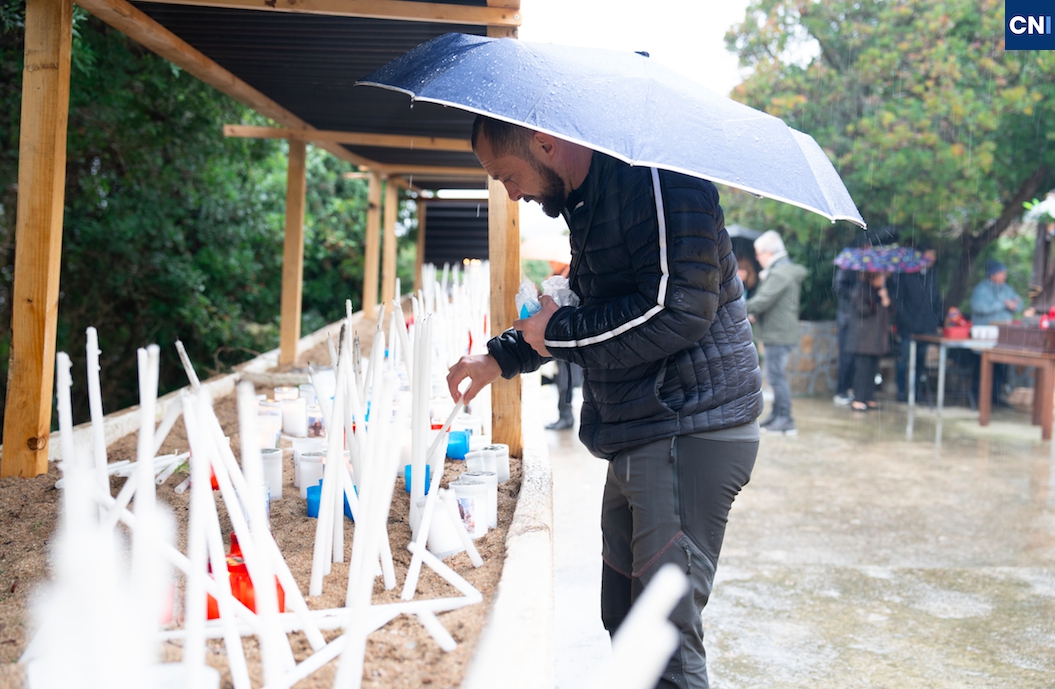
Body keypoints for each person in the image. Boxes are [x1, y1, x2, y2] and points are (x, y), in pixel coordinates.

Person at [447, 116, 763, 689]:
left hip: (688, 428)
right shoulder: (590, 198)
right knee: (623, 617)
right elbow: (586, 309)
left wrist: (557, 332)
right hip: (642, 428)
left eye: (506, 175)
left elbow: (677, 311)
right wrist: (500, 357)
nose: (510, 192)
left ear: (545, 144)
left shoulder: (659, 181)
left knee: (661, 639)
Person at [745, 230, 806, 435]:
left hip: (778, 335)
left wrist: (735, 307)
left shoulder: (779, 273)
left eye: (758, 254)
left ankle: (786, 419)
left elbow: (762, 301)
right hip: (779, 332)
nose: (757, 258)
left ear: (768, 253)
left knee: (776, 378)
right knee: (775, 377)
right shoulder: (782, 270)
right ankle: (776, 416)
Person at [892, 249, 943, 402]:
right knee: (904, 360)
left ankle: (916, 392)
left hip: (926, 329)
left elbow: (936, 300)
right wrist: (907, 322)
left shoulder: (933, 275)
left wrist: (936, 322)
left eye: (933, 256)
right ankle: (901, 391)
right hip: (908, 328)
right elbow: (899, 301)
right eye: (928, 255)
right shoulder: (906, 275)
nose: (931, 259)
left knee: (920, 362)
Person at [970, 259, 1022, 405]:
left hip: (1003, 338)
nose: (1004, 276)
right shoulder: (981, 289)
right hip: (985, 337)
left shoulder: (1007, 289)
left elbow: (1019, 303)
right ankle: (979, 398)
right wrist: (1002, 305)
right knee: (982, 368)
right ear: (992, 274)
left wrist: (1014, 306)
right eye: (1001, 273)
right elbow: (979, 307)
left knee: (1000, 368)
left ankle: (996, 397)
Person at [846, 271, 892, 411]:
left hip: (875, 339)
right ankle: (858, 399)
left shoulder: (879, 291)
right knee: (862, 370)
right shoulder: (860, 289)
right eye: (881, 277)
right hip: (863, 339)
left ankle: (868, 397)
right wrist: (878, 302)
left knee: (872, 369)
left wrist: (885, 299)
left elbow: (888, 313)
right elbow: (862, 310)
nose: (883, 279)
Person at [832, 265, 858, 405]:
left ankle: (849, 389)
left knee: (854, 359)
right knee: (846, 358)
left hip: (857, 320)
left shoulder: (863, 269)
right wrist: (856, 293)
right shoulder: (847, 268)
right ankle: (841, 391)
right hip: (847, 319)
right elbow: (838, 288)